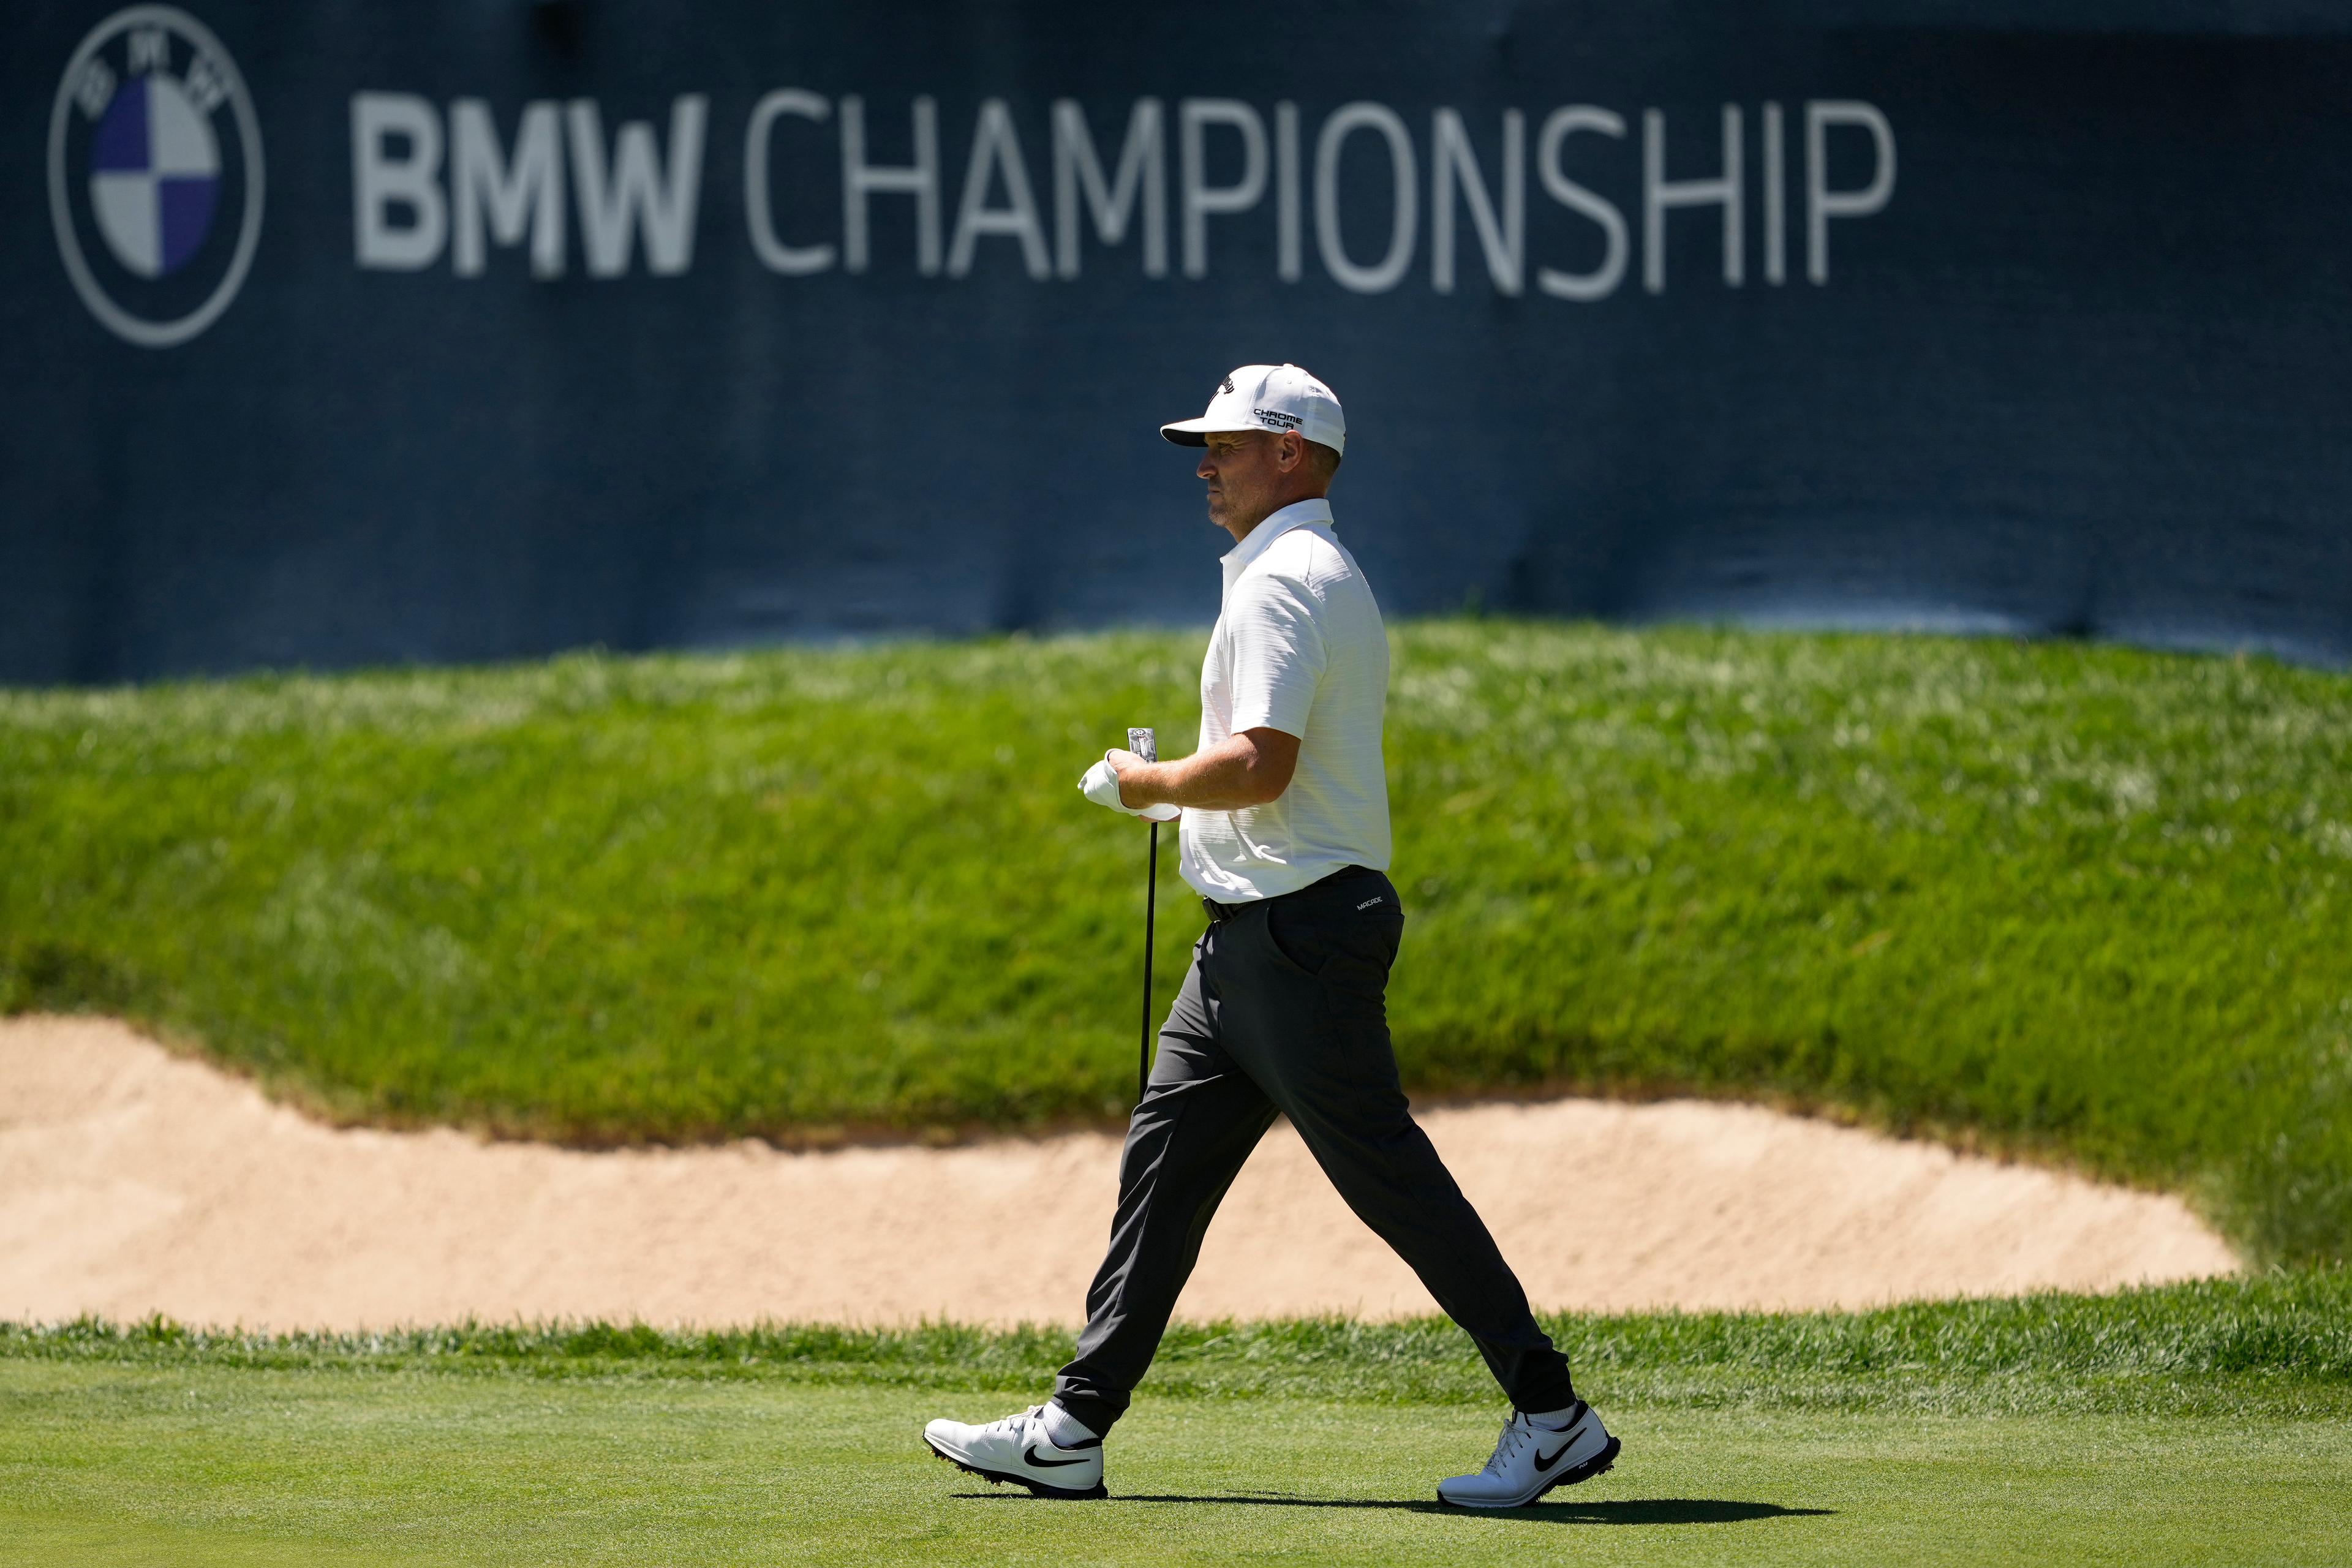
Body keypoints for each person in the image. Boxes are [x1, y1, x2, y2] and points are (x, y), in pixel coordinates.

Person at [923, 364, 1617, 1509]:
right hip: (1243, 945)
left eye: (1229, 445)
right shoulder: (1284, 570)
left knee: (1388, 1180)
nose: (1205, 462)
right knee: (1164, 1172)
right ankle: (1074, 1428)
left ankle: (1551, 1413)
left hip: (1301, 935)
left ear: (1291, 453)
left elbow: (1261, 762)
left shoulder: (1285, 581)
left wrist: (1149, 784)